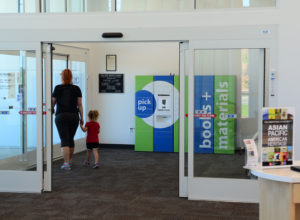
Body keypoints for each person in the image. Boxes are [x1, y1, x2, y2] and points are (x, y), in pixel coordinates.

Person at [52, 69, 84, 170]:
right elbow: (79, 104)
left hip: (61, 116)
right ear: (71, 77)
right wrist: (82, 118)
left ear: (62, 76)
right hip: (74, 116)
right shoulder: (76, 88)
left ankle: (66, 164)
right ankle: (69, 161)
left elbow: (53, 102)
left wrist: (52, 109)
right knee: (70, 139)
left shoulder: (57, 88)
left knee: (64, 139)